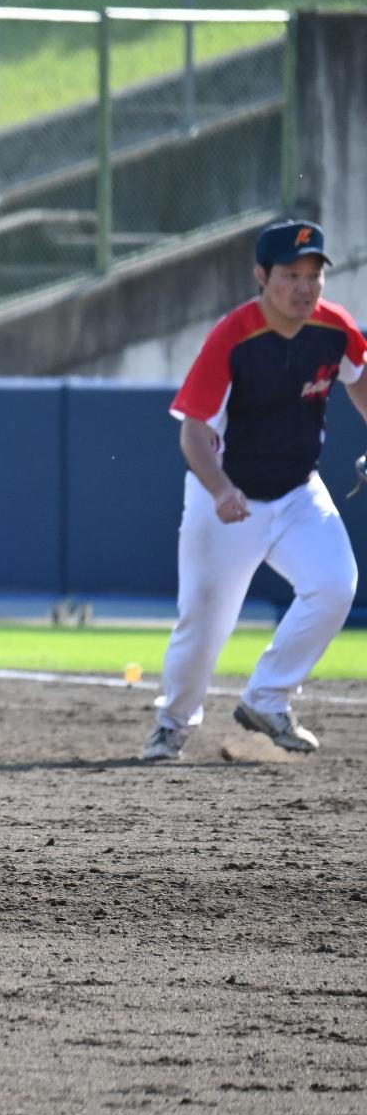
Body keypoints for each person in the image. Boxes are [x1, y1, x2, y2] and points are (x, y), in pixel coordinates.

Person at [142, 219, 367, 761]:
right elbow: (193, 430)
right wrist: (219, 490)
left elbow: (359, 377)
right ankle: (173, 722)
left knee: (336, 584)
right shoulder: (234, 336)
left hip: (297, 492)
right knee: (204, 623)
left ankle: (267, 698)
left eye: (313, 274)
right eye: (291, 274)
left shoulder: (334, 327)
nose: (305, 286)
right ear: (261, 277)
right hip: (227, 498)